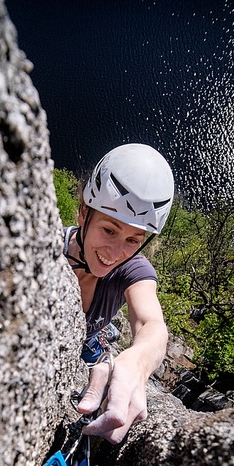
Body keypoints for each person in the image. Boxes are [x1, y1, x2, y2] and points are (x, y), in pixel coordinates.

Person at [64, 143, 174, 446]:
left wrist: (136, 364)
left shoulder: (133, 268)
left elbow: (151, 324)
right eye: (109, 230)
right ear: (85, 214)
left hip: (90, 344)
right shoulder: (49, 250)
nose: (115, 253)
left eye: (131, 240)